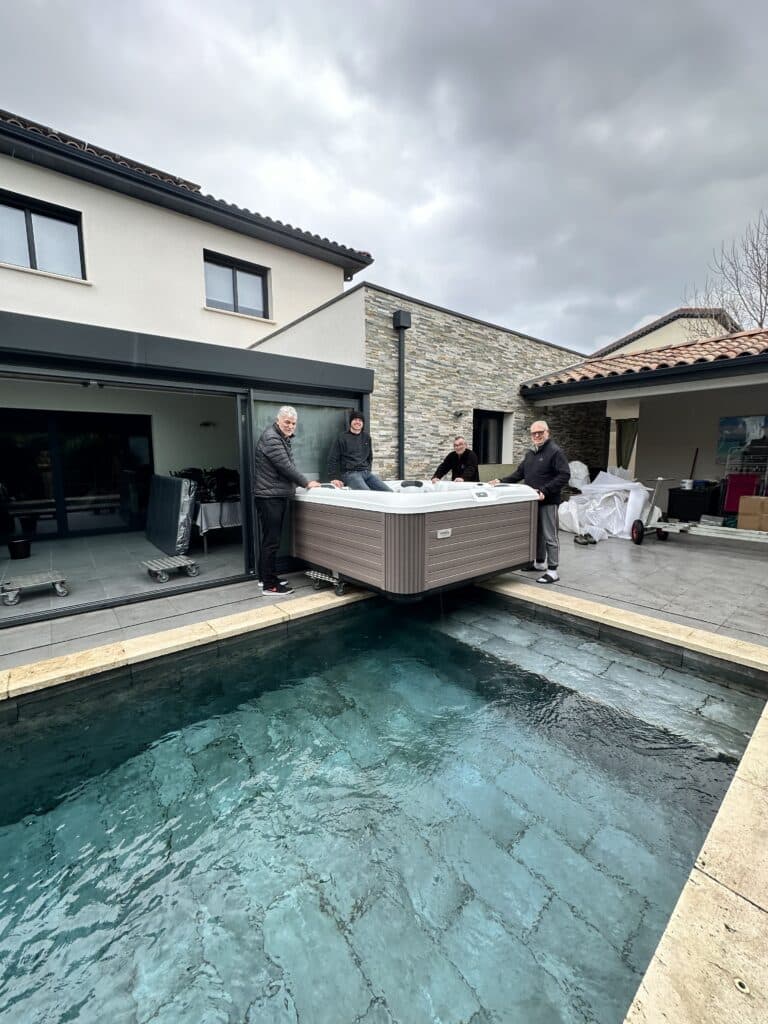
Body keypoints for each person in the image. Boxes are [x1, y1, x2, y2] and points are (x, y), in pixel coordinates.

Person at [489, 420, 570, 585]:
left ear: (548, 432)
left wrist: (545, 491)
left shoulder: (555, 452)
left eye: (540, 432)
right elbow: (519, 473)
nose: (537, 435)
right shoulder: (531, 454)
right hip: (532, 501)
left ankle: (553, 571)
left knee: (550, 535)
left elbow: (564, 475)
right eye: (534, 433)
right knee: (537, 533)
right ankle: (540, 563)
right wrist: (501, 481)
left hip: (547, 501)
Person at [253, 405, 321, 595]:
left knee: (269, 540)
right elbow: (286, 467)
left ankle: (264, 577)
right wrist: (306, 483)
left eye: (293, 423)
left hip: (272, 495)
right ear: (278, 421)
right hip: (270, 497)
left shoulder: (280, 437)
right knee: (272, 541)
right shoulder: (272, 438)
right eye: (287, 422)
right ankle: (270, 585)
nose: (291, 426)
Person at [328, 411, 392, 491]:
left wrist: (368, 469)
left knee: (388, 492)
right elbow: (333, 458)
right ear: (350, 422)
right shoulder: (342, 438)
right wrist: (333, 477)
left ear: (363, 423)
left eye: (360, 420)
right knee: (367, 494)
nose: (358, 422)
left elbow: (370, 456)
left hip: (366, 473)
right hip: (350, 474)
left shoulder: (366, 437)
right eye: (355, 419)